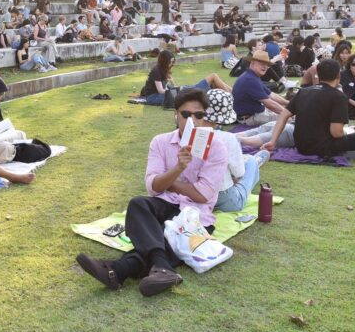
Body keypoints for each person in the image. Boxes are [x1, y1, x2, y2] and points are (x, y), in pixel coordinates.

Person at [76, 89, 228, 296]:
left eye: (198, 115)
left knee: (167, 237)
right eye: (185, 114)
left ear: (204, 118)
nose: (192, 120)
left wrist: (169, 183)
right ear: (175, 115)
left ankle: (118, 270)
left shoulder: (216, 147)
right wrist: (178, 168)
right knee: (138, 204)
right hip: (164, 203)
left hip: (196, 214)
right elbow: (153, 186)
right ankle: (162, 267)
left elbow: (203, 195)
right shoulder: (160, 142)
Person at [265, 60, 355, 156]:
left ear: (318, 74)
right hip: (322, 147)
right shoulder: (339, 97)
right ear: (338, 75)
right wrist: (347, 132)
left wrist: (273, 141)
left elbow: (283, 115)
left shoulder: (303, 92)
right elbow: (336, 133)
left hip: (301, 146)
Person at [202, 90, 270, 212]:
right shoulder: (228, 138)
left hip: (193, 195)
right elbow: (239, 174)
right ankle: (254, 163)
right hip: (224, 198)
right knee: (250, 162)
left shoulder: (186, 135)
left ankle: (252, 162)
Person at [140, 50, 231, 106]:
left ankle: (232, 93)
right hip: (153, 97)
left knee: (208, 83)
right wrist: (175, 90)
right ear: (164, 61)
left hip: (163, 94)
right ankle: (232, 95)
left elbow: (171, 86)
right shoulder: (156, 71)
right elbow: (160, 91)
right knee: (212, 77)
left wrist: (174, 86)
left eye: (172, 62)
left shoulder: (163, 70)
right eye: (170, 62)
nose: (171, 64)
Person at [232, 50, 290, 125]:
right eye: (261, 64)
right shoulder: (250, 79)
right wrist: (288, 114)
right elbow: (270, 104)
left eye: (267, 64)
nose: (265, 67)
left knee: (284, 110)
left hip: (254, 114)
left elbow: (271, 95)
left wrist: (289, 103)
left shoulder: (252, 76)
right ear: (252, 63)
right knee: (288, 119)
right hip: (250, 118)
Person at [340, 53, 355, 119]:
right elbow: (340, 93)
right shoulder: (343, 75)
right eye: (353, 64)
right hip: (347, 112)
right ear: (349, 65)